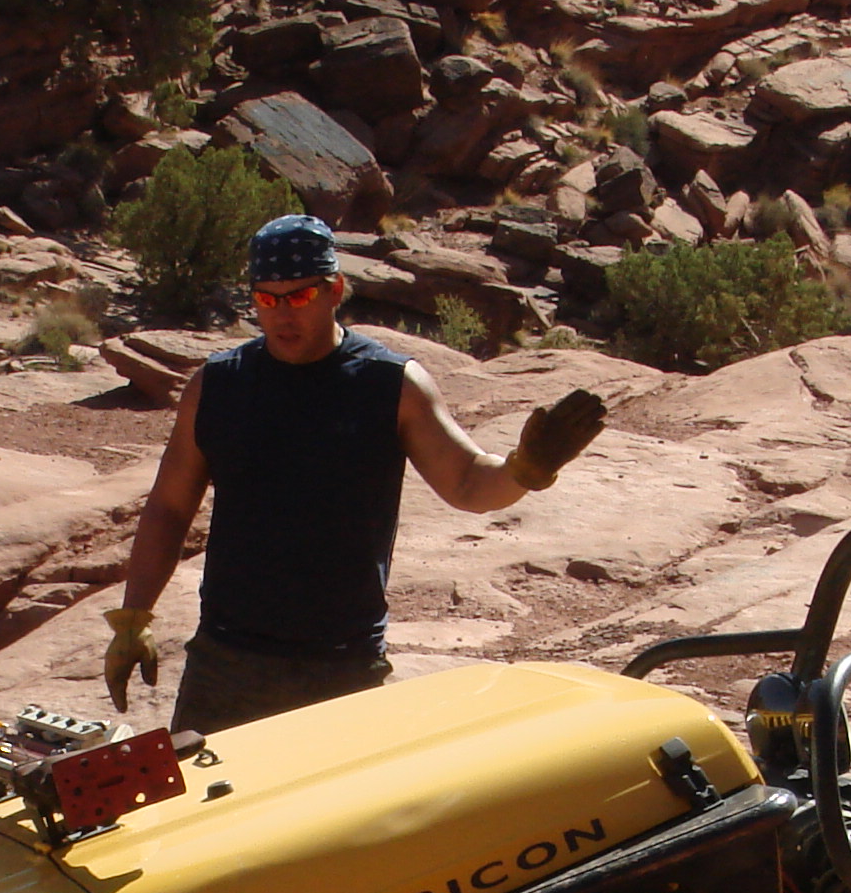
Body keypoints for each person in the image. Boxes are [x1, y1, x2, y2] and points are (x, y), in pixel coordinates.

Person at [105, 212, 608, 737]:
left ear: (336, 290)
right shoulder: (217, 386)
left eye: (300, 296)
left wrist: (526, 469)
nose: (283, 314)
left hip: (341, 666)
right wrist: (133, 619)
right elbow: (169, 507)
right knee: (202, 791)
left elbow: (466, 482)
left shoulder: (389, 385)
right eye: (267, 299)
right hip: (226, 660)